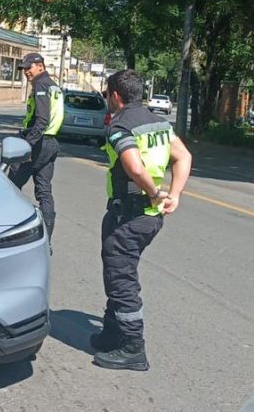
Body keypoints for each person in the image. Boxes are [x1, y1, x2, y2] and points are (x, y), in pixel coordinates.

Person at [91, 69, 192, 372]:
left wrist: (154, 193)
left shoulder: (120, 125)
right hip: (149, 218)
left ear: (116, 95)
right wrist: (175, 194)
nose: (108, 99)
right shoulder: (158, 122)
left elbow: (134, 167)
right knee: (118, 270)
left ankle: (133, 347)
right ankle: (112, 333)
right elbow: (184, 156)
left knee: (121, 279)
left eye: (107, 94)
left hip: (130, 214)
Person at [8, 53, 64, 239]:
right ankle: (47, 238)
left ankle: (9, 232)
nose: (26, 72)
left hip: (38, 143)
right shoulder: (53, 85)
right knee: (44, 192)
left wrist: (28, 145)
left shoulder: (41, 85)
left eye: (29, 68)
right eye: (24, 69)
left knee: (10, 187)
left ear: (40, 66)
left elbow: (41, 120)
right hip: (51, 143)